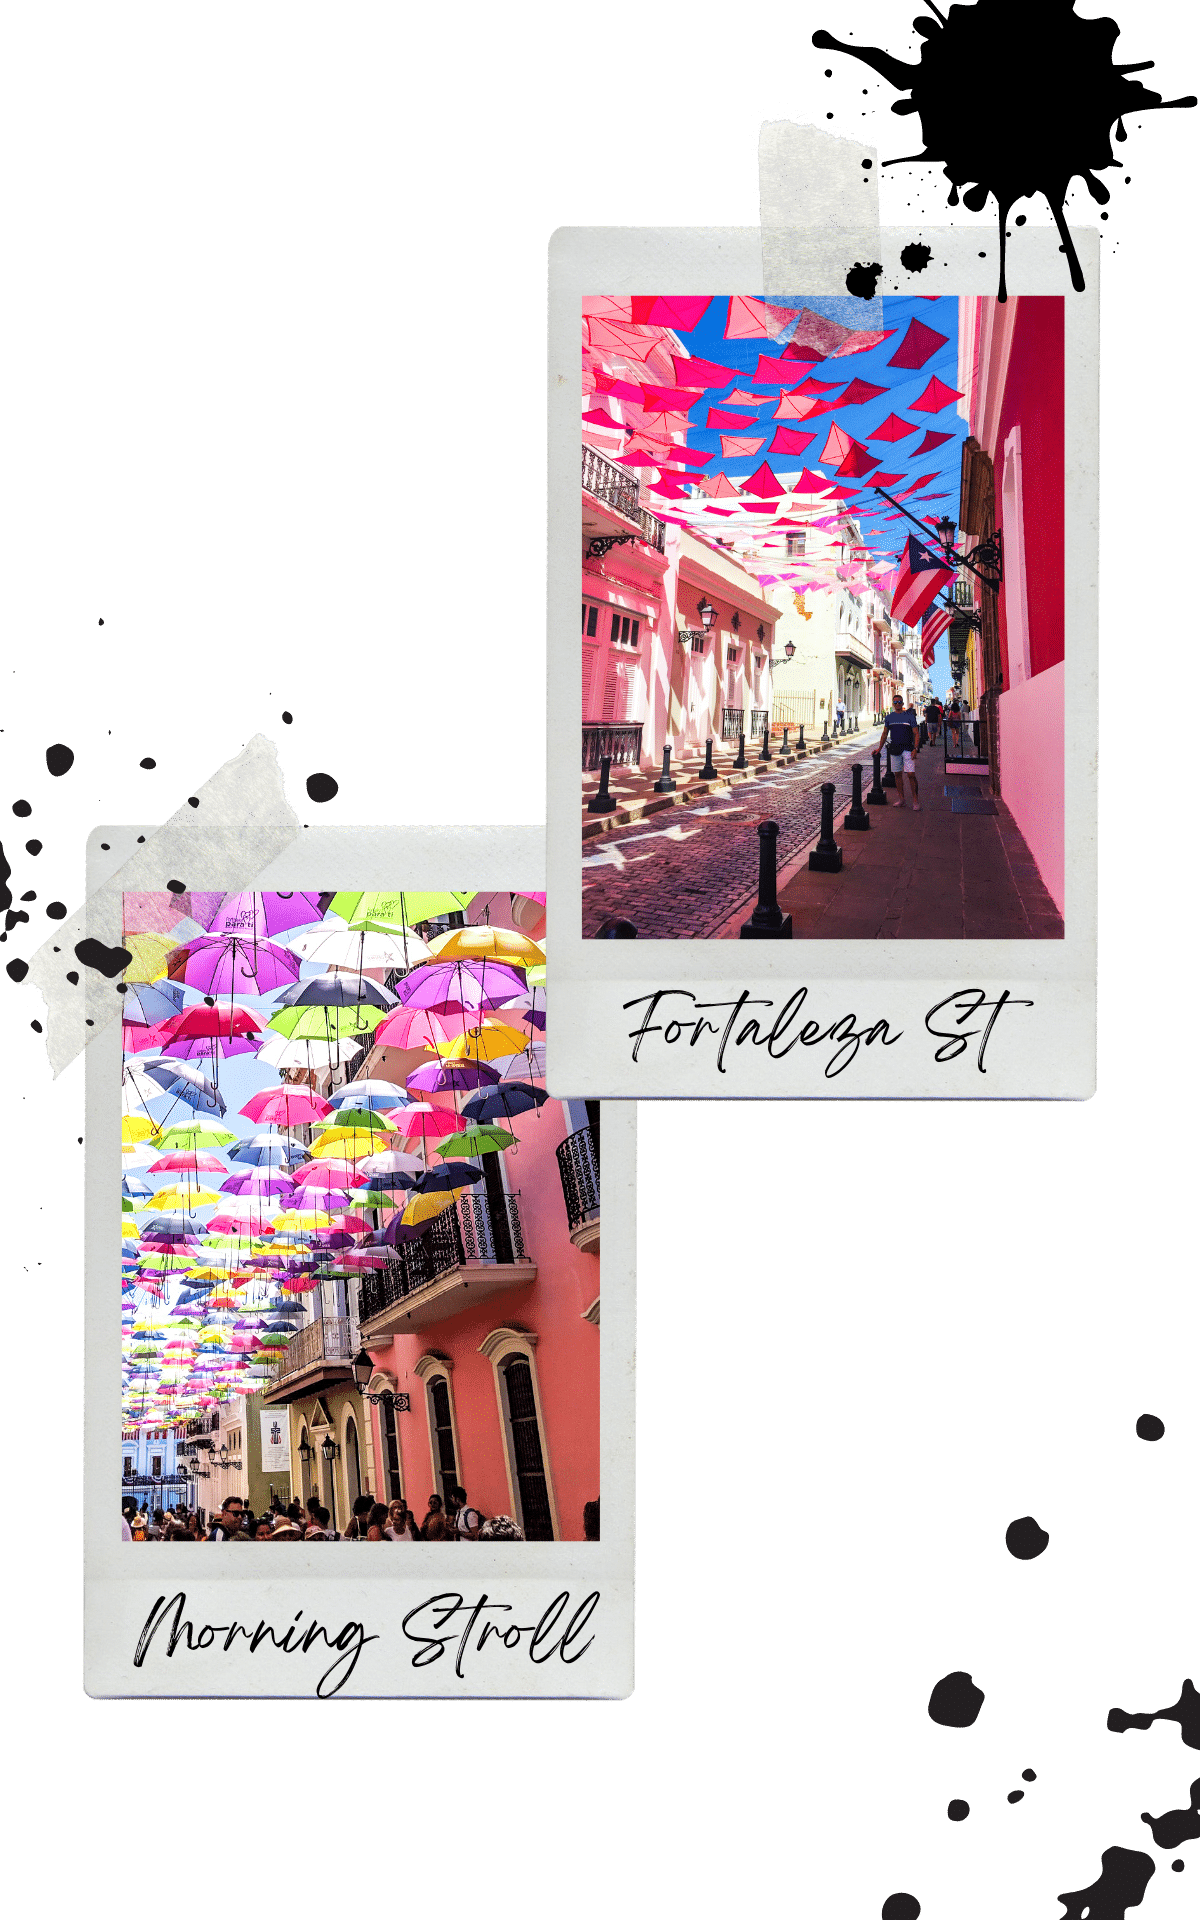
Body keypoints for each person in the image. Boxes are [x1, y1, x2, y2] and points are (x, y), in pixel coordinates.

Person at [878, 695, 920, 810]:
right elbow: (884, 734)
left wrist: (915, 748)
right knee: (897, 774)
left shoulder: (909, 716)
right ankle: (901, 799)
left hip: (908, 749)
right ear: (893, 703)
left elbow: (916, 733)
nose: (897, 704)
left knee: (911, 774)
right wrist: (879, 748)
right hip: (895, 749)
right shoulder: (889, 717)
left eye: (899, 702)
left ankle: (915, 800)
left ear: (902, 703)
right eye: (895, 702)